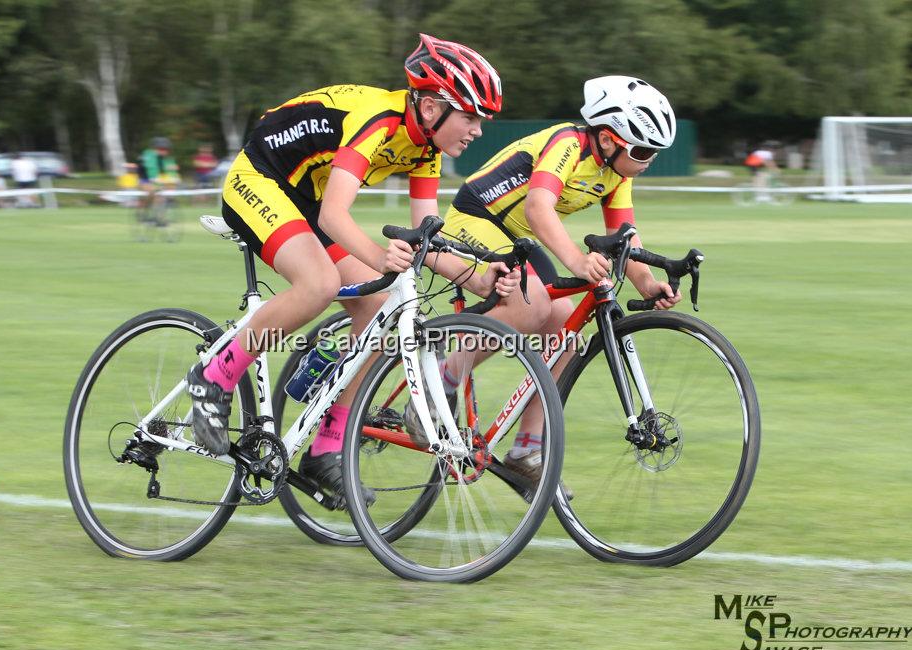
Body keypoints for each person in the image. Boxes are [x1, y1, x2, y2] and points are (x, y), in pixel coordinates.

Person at [186, 34, 514, 501]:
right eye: (470, 117)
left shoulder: (425, 148)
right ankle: (213, 377)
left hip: (307, 195)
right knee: (318, 283)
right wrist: (380, 257)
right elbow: (333, 217)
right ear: (430, 108)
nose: (477, 130)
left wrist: (479, 278)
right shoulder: (379, 121)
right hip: (260, 178)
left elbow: (426, 237)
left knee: (378, 311)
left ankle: (326, 448)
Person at [437, 75, 682, 492]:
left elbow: (626, 234)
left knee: (568, 329)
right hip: (475, 218)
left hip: (518, 237)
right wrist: (575, 259)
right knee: (531, 304)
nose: (647, 161)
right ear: (607, 139)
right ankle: (439, 384)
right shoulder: (568, 144)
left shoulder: (616, 173)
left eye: (654, 153)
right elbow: (538, 207)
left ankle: (525, 451)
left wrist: (647, 283)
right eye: (641, 151)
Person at [137, 137, 179, 211]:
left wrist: (173, 177)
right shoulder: (148, 155)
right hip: (144, 180)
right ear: (154, 148)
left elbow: (170, 170)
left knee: (161, 195)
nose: (165, 151)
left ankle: (159, 214)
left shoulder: (163, 158)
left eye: (166, 149)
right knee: (153, 193)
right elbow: (151, 168)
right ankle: (145, 210)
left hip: (156, 180)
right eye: (162, 149)